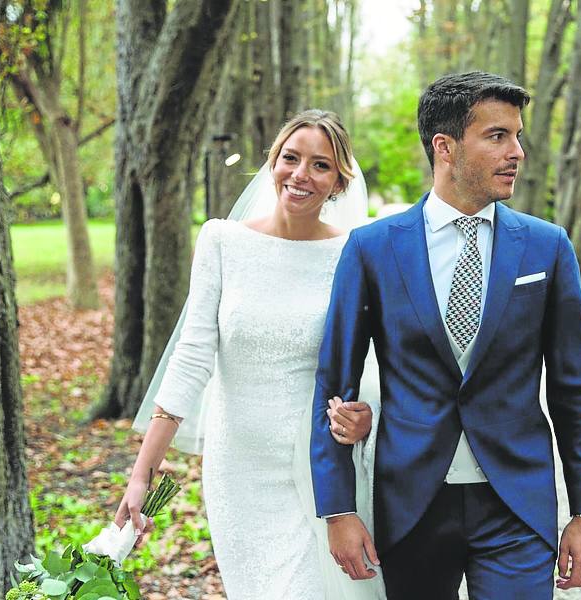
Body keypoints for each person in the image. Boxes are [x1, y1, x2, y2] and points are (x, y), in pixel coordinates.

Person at [310, 71, 581, 599]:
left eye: (518, 135)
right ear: (444, 147)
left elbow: (575, 388)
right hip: (412, 504)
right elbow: (334, 386)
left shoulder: (547, 247)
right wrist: (338, 509)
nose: (516, 151)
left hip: (516, 503)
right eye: (497, 136)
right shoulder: (373, 248)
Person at [117, 109, 386, 600]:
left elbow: (373, 363)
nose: (301, 174)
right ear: (272, 163)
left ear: (339, 183)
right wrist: (141, 474)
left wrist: (368, 417)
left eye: (321, 165)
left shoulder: (354, 253)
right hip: (238, 468)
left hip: (318, 465)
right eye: (291, 158)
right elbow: (192, 355)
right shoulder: (223, 241)